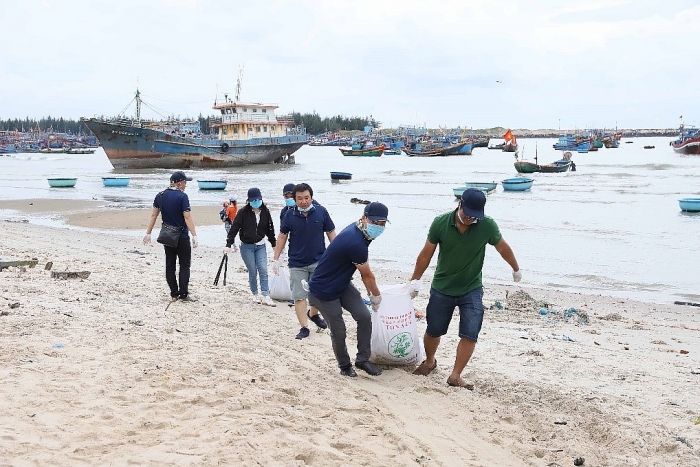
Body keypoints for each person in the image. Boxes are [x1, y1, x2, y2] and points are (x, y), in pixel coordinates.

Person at [410, 188, 521, 389]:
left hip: (471, 288)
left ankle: (455, 375)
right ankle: (429, 361)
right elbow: (425, 254)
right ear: (459, 204)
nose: (470, 219)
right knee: (434, 330)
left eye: (474, 216)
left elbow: (503, 247)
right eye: (467, 214)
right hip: (442, 287)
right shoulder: (441, 223)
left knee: (470, 332)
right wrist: (415, 281)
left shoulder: (487, 225)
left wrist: (515, 269)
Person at [307, 202, 389, 377]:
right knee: (339, 331)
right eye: (375, 222)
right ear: (364, 218)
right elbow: (367, 276)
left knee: (364, 316)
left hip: (342, 283)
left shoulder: (361, 231)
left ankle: (362, 360)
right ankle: (344, 366)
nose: (378, 227)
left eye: (382, 224)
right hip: (324, 291)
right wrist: (375, 296)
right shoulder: (356, 241)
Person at [272, 183, 336, 339]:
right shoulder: (288, 215)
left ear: (311, 197)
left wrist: (337, 254)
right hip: (297, 263)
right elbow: (282, 236)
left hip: (319, 260)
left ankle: (313, 314)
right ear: (294, 199)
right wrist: (276, 258)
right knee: (299, 296)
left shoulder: (321, 212)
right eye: (299, 198)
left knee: (318, 294)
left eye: (306, 198)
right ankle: (304, 327)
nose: (304, 201)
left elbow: (331, 233)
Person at [143, 171, 199, 303]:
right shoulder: (182, 197)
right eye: (185, 182)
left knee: (170, 265)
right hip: (182, 236)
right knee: (184, 265)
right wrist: (194, 234)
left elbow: (153, 216)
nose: (186, 185)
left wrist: (148, 233)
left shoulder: (160, 196)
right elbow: (187, 216)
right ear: (179, 183)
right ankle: (183, 294)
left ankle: (174, 294)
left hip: (167, 236)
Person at [224, 187, 277, 306]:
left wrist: (274, 244)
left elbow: (270, 228)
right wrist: (228, 244)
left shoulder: (265, 211)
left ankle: (266, 295)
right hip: (246, 246)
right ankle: (255, 294)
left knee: (263, 269)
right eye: (253, 200)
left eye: (258, 199)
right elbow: (235, 228)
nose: (256, 202)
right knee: (253, 270)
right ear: (249, 201)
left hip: (261, 245)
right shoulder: (243, 212)